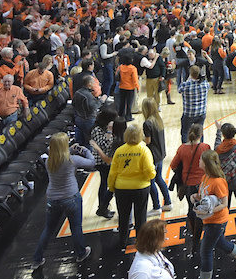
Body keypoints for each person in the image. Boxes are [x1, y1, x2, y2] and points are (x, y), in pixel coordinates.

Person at [187, 150, 236, 279]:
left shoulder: (218, 181)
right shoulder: (205, 177)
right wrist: (196, 197)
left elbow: (224, 204)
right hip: (208, 220)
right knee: (220, 242)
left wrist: (209, 210)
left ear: (206, 163)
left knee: (206, 250)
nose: (198, 162)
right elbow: (204, 196)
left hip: (217, 221)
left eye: (201, 160)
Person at [32, 132, 95, 268]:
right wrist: (83, 150)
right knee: (76, 227)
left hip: (52, 199)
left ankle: (37, 259)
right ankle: (81, 253)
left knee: (48, 229)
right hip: (71, 198)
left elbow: (61, 154)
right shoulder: (72, 160)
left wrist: (70, 150)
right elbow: (91, 163)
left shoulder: (49, 161)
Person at [109, 122, 156, 250]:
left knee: (123, 218)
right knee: (140, 217)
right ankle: (141, 243)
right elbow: (149, 171)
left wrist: (112, 187)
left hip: (121, 189)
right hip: (140, 188)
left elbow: (112, 173)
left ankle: (122, 242)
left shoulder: (119, 151)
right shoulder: (144, 150)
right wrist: (151, 175)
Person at [169, 124, 211, 256]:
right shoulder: (205, 147)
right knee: (204, 210)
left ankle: (194, 236)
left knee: (191, 209)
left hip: (188, 185)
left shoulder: (182, 148)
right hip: (202, 184)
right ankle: (199, 238)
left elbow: (173, 165)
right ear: (201, 135)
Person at [140, 98, 172, 214]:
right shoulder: (158, 119)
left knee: (151, 181)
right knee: (159, 178)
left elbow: (147, 141)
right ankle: (168, 202)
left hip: (152, 155)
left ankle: (156, 206)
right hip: (160, 154)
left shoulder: (147, 123)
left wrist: (139, 137)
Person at [89, 108, 120, 219]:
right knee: (106, 184)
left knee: (107, 183)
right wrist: (109, 132)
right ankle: (102, 207)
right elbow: (104, 145)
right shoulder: (97, 130)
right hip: (101, 161)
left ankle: (103, 207)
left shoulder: (107, 127)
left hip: (108, 159)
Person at [177, 58, 210, 137]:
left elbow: (179, 90)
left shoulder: (186, 85)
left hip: (189, 113)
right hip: (201, 112)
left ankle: (186, 146)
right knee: (199, 132)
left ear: (190, 74)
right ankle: (200, 147)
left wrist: (189, 79)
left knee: (185, 132)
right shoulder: (205, 84)